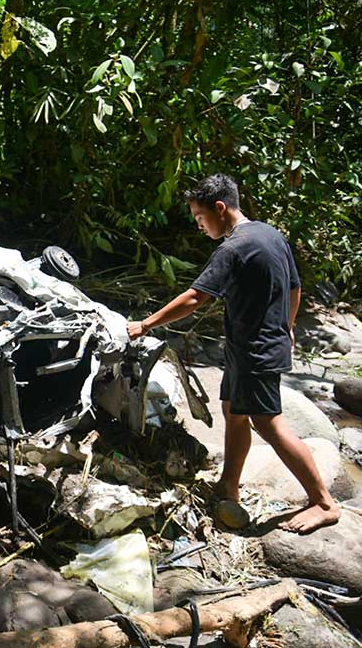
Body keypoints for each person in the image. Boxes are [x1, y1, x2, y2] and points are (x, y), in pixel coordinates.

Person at [127, 173, 340, 534]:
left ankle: (324, 502)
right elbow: (295, 287)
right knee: (233, 411)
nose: (199, 226)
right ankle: (229, 486)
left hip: (256, 351)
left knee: (268, 423)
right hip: (254, 346)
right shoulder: (269, 233)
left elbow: (196, 297)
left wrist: (145, 325)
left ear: (220, 208)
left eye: (200, 218)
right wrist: (286, 326)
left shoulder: (233, 248)